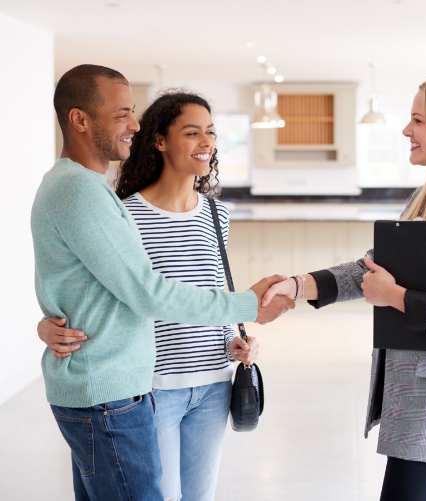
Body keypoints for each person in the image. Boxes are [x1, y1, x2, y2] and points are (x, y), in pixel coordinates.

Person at [31, 65, 293, 501]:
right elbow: (146, 291)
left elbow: (84, 283)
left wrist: (234, 335)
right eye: (122, 114)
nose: (133, 122)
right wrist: (247, 304)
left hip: (198, 381)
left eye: (210, 132)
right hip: (137, 387)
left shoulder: (208, 213)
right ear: (80, 119)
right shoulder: (95, 198)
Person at [263, 73, 426, 501]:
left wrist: (395, 297)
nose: (405, 131)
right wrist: (299, 284)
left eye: (417, 120)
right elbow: (370, 268)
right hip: (416, 395)